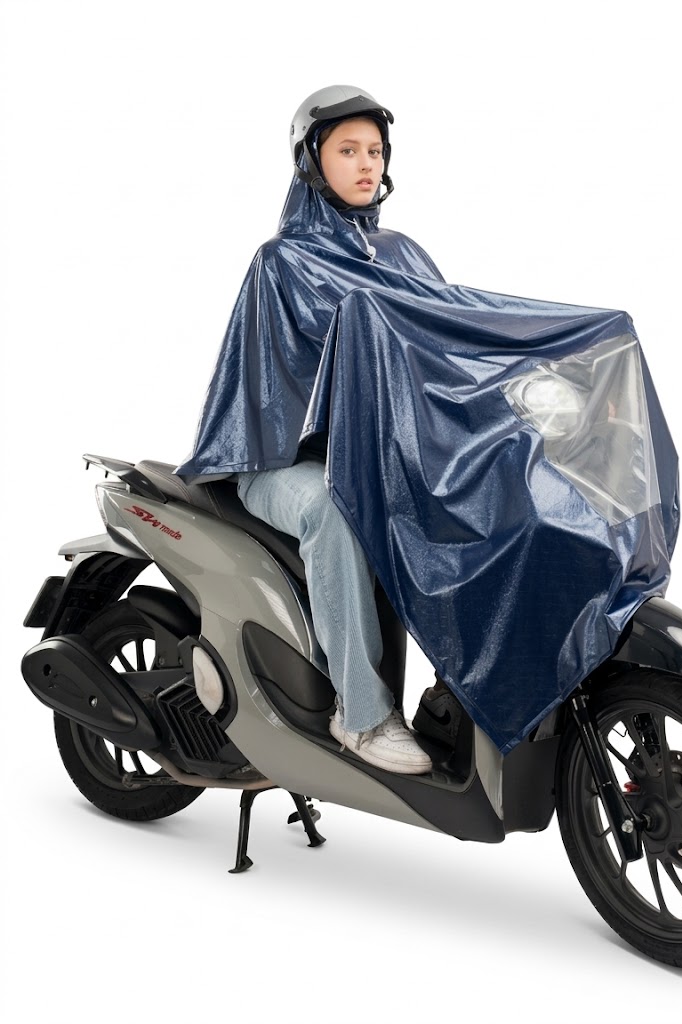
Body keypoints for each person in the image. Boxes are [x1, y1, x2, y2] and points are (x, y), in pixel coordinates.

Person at [177, 85, 441, 774]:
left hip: (374, 455)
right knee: (333, 507)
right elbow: (281, 388)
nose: (366, 163)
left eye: (375, 150)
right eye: (347, 150)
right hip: (279, 461)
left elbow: (452, 341)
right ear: (310, 162)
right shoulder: (281, 263)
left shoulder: (404, 255)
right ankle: (362, 715)